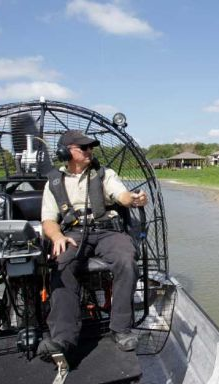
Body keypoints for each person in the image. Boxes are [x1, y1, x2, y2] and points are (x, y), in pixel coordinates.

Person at [37, 129, 148, 361]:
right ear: (65, 152)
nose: (90, 151)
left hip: (107, 231)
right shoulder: (54, 182)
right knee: (61, 263)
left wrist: (134, 199)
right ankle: (62, 339)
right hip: (73, 234)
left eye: (91, 147)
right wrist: (57, 237)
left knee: (126, 260)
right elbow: (48, 220)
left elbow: (121, 195)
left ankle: (121, 329)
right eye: (83, 148)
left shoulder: (103, 173)